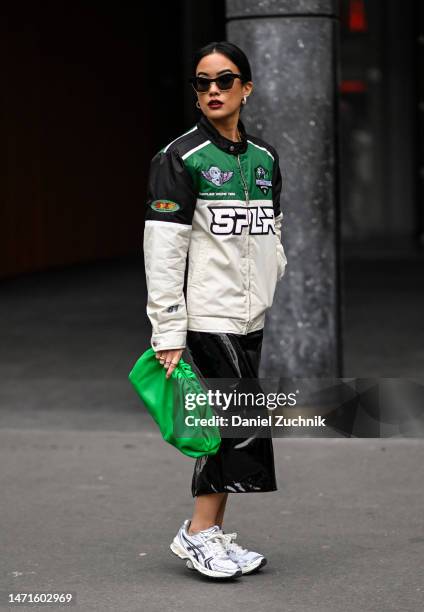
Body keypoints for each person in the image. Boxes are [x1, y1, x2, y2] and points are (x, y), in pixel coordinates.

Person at [143, 41, 287, 579]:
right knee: (230, 428)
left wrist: (274, 271)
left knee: (236, 423)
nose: (212, 91)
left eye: (224, 81)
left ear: (246, 88)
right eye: (201, 83)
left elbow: (272, 229)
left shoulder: (265, 157)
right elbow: (162, 253)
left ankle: (213, 532)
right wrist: (168, 329)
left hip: (250, 314)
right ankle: (199, 533)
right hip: (205, 317)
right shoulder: (178, 158)